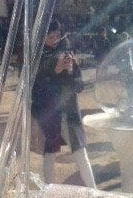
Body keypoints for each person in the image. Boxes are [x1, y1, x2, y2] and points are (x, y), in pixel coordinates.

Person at [31, 19, 96, 188]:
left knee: (80, 152)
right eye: (50, 36)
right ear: (42, 37)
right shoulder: (36, 56)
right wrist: (56, 71)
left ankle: (95, 193)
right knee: (49, 154)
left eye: (57, 35)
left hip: (69, 112)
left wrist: (71, 72)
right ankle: (50, 193)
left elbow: (80, 84)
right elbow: (35, 87)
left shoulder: (67, 52)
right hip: (49, 114)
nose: (54, 39)